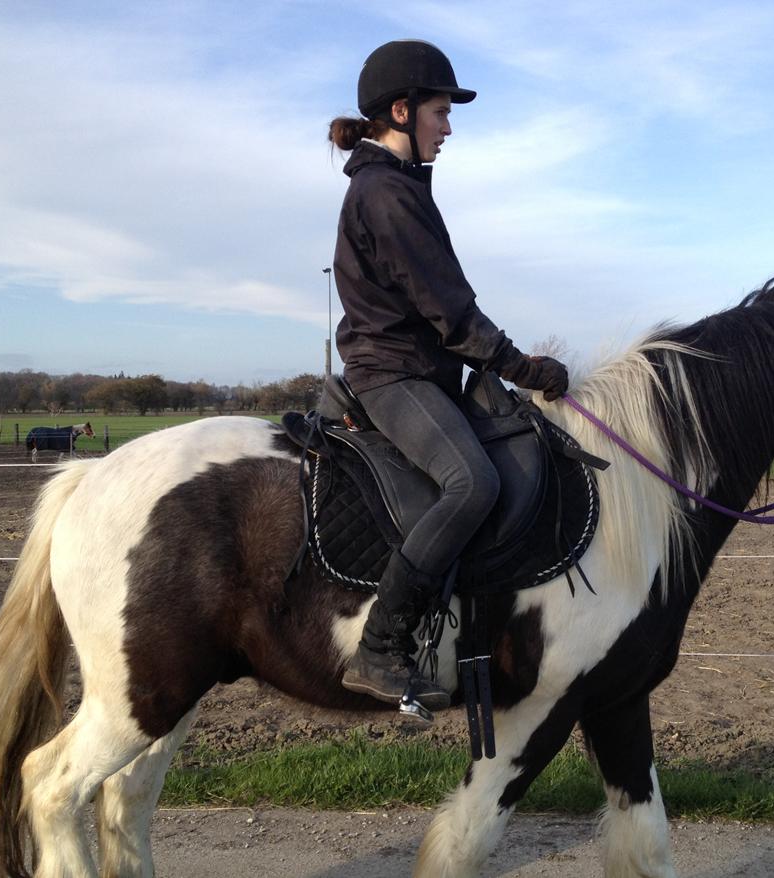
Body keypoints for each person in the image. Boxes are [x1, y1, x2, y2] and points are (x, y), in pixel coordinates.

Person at [328, 39, 568, 710]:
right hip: (392, 374)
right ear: (401, 112)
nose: (448, 127)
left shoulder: (399, 189)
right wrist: (522, 365)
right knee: (473, 482)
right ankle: (380, 648)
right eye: (440, 111)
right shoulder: (386, 194)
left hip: (420, 371)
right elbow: (449, 310)